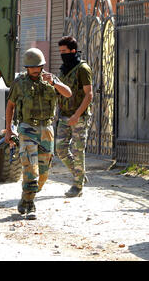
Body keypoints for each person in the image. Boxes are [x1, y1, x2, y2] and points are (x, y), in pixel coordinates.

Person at [5, 48, 72, 220]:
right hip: (27, 129)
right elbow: (10, 106)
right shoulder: (19, 83)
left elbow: (68, 93)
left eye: (39, 66)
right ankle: (30, 206)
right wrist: (9, 129)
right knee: (30, 171)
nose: (36, 69)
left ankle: (26, 198)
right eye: (33, 67)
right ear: (27, 67)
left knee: (43, 174)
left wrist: (55, 83)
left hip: (47, 130)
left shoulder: (51, 80)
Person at [55, 36, 94, 198]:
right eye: (60, 52)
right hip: (64, 116)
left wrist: (77, 115)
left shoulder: (83, 69)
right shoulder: (64, 69)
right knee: (60, 150)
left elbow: (89, 94)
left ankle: (77, 186)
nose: (61, 54)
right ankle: (80, 175)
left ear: (72, 51)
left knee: (78, 151)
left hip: (79, 117)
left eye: (64, 51)